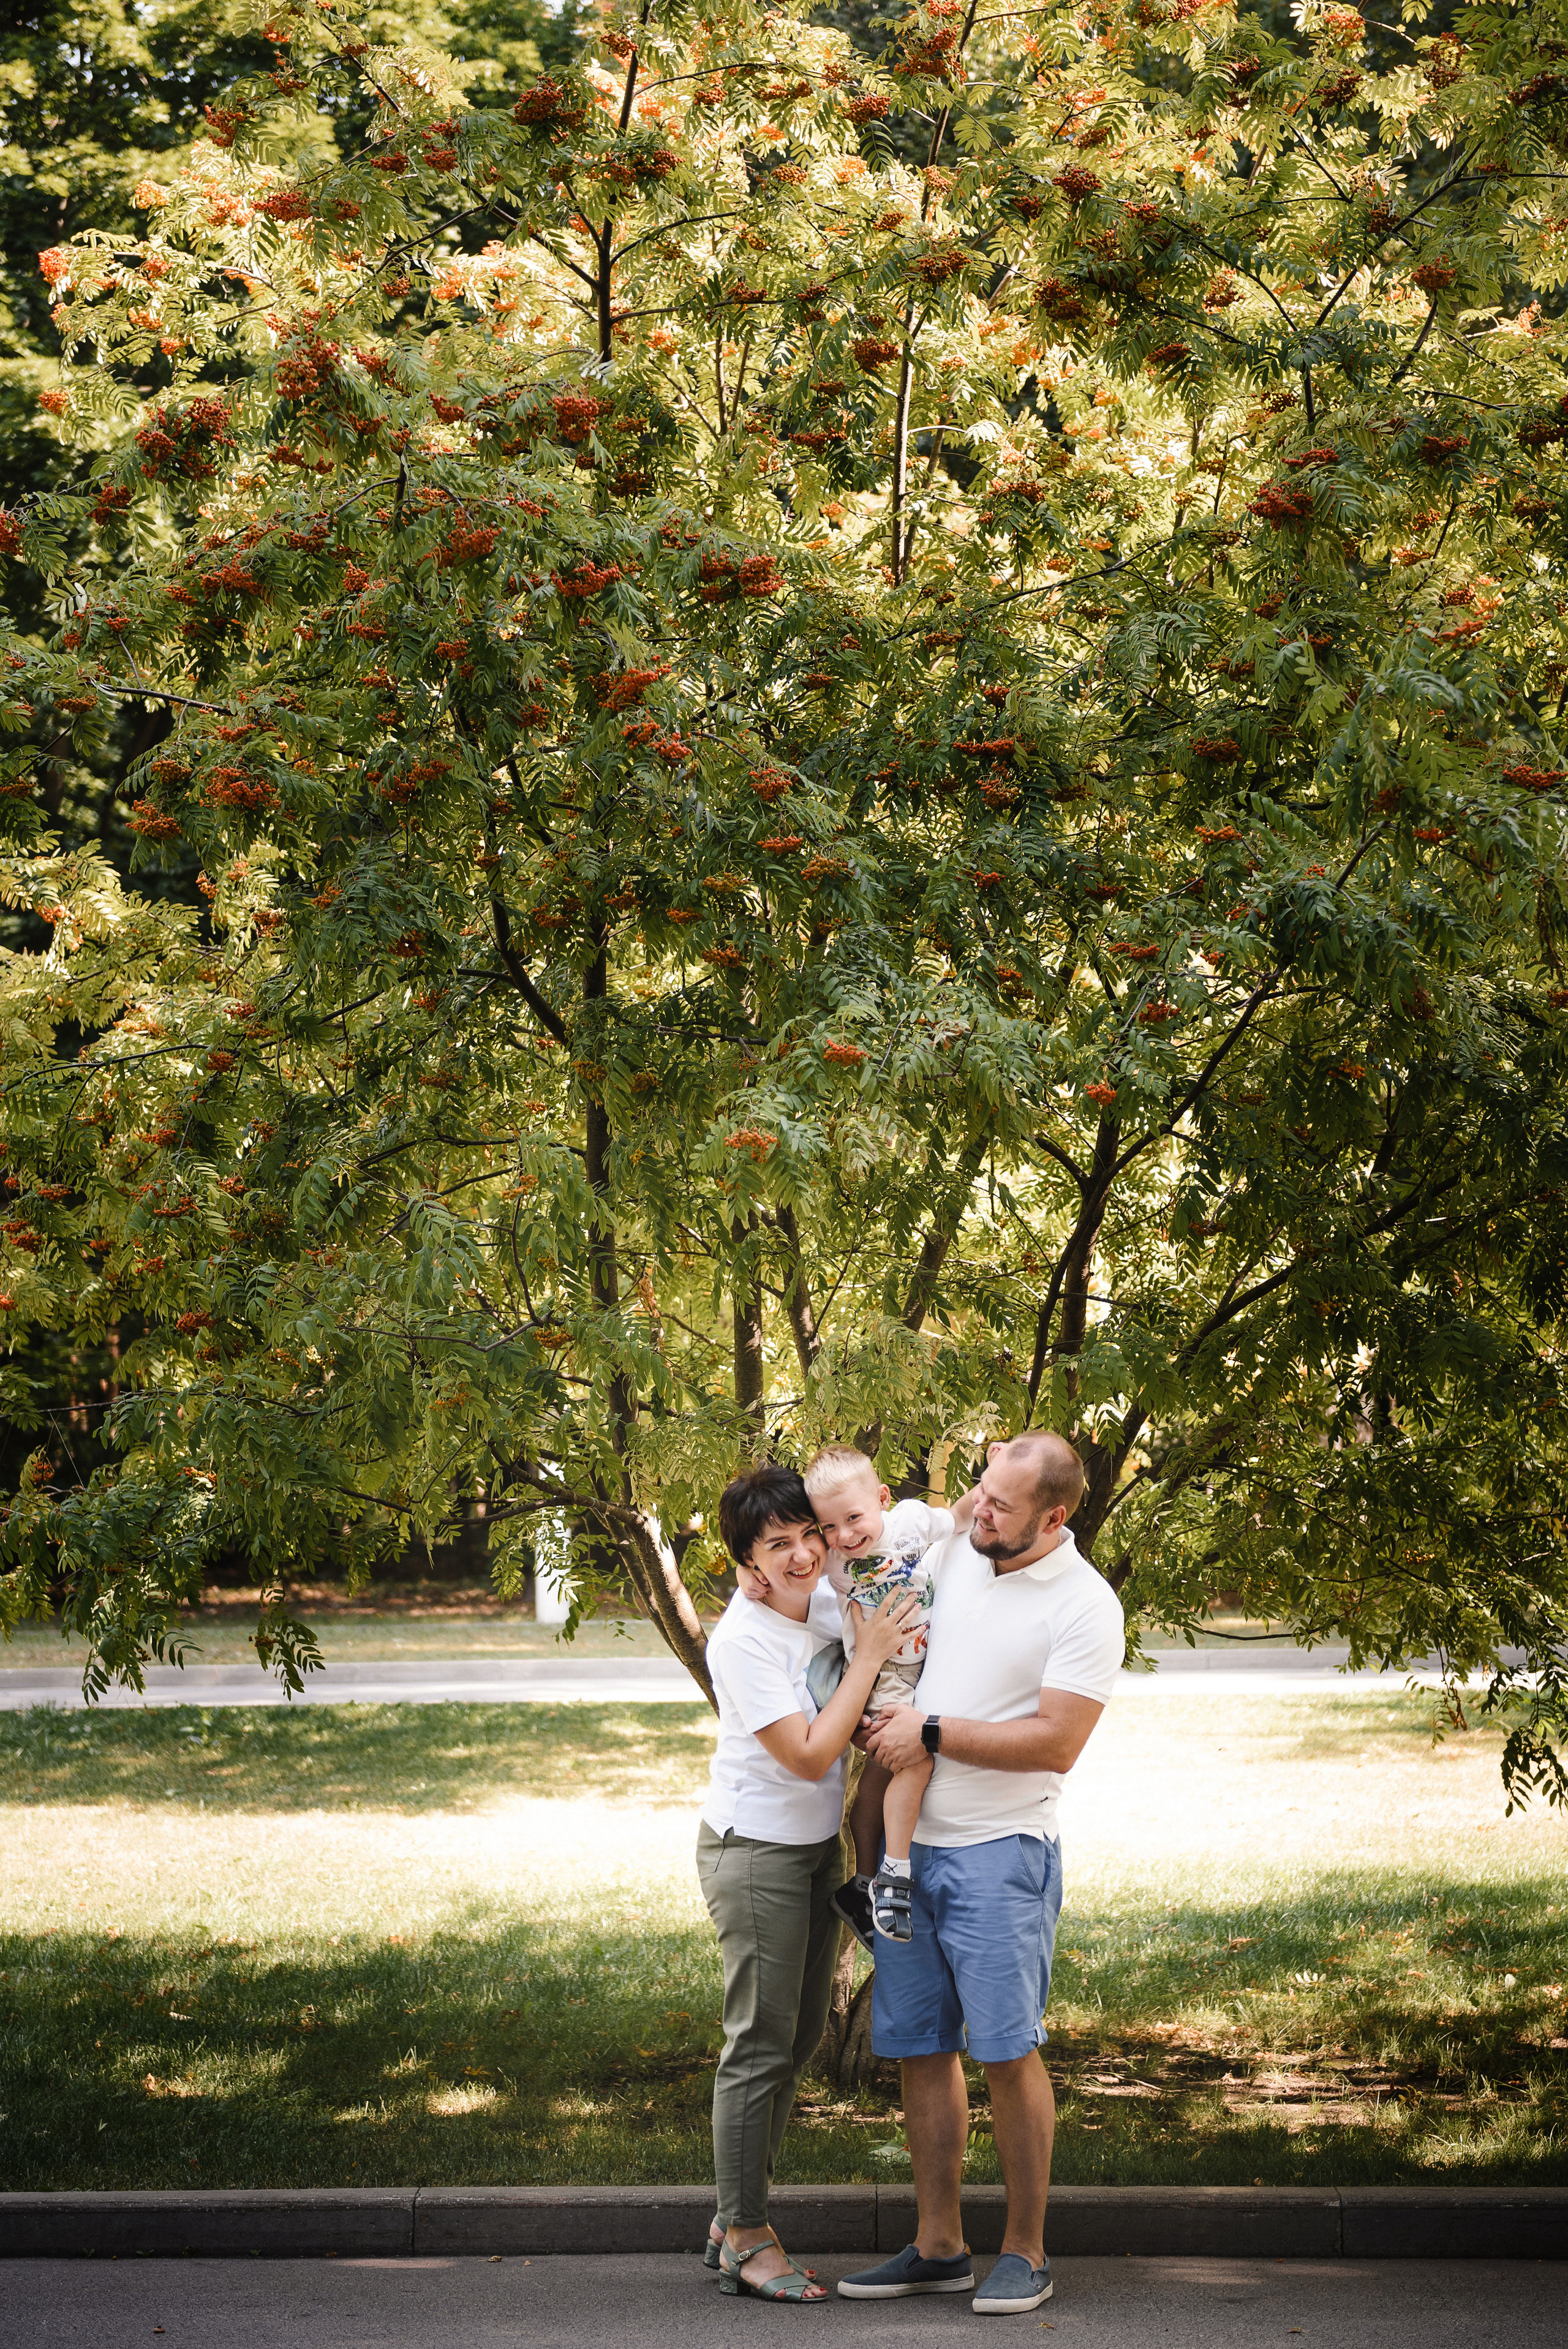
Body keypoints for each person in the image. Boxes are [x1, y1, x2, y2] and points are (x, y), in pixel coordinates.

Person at [835, 1431, 1125, 2318]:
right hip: (911, 1852)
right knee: (921, 2048)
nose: (981, 1510)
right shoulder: (956, 1551)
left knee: (1005, 2048)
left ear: (1055, 1515)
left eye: (1002, 1504)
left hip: (1002, 1852)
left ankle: (1026, 2251)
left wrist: (927, 1731)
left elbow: (1057, 1741)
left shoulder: (1084, 1604)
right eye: (982, 1489)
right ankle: (939, 2247)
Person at [698, 1461, 920, 2304]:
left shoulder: (820, 1600)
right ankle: (748, 2235)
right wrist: (870, 1657)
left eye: (807, 1535)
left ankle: (731, 2216)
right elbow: (807, 1752)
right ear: (746, 1563)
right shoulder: (742, 1640)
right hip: (754, 1852)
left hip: (812, 1848)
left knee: (793, 2045)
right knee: (759, 2045)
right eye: (776, 1546)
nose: (801, 1555)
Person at [802, 1443, 978, 1948]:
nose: (844, 1535)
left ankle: (862, 1883)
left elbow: (959, 1515)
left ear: (882, 1498)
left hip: (923, 1665)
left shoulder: (911, 1523)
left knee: (879, 1775)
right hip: (883, 1675)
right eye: (829, 1526)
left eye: (853, 1518)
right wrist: (748, 1574)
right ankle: (893, 1876)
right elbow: (784, 1565)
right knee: (915, 1758)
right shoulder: (833, 1559)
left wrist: (995, 1485)